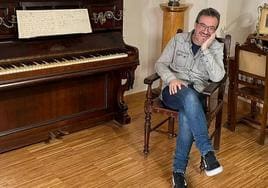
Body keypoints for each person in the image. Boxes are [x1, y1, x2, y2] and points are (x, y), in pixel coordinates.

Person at [155, 8, 224, 188]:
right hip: (173, 91)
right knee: (189, 99)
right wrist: (172, 79)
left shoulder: (216, 47)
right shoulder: (179, 40)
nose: (206, 31)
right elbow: (160, 64)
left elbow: (217, 77)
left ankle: (178, 173)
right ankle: (207, 153)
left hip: (197, 95)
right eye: (202, 25)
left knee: (188, 110)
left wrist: (205, 49)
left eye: (211, 28)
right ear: (195, 25)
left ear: (215, 30)